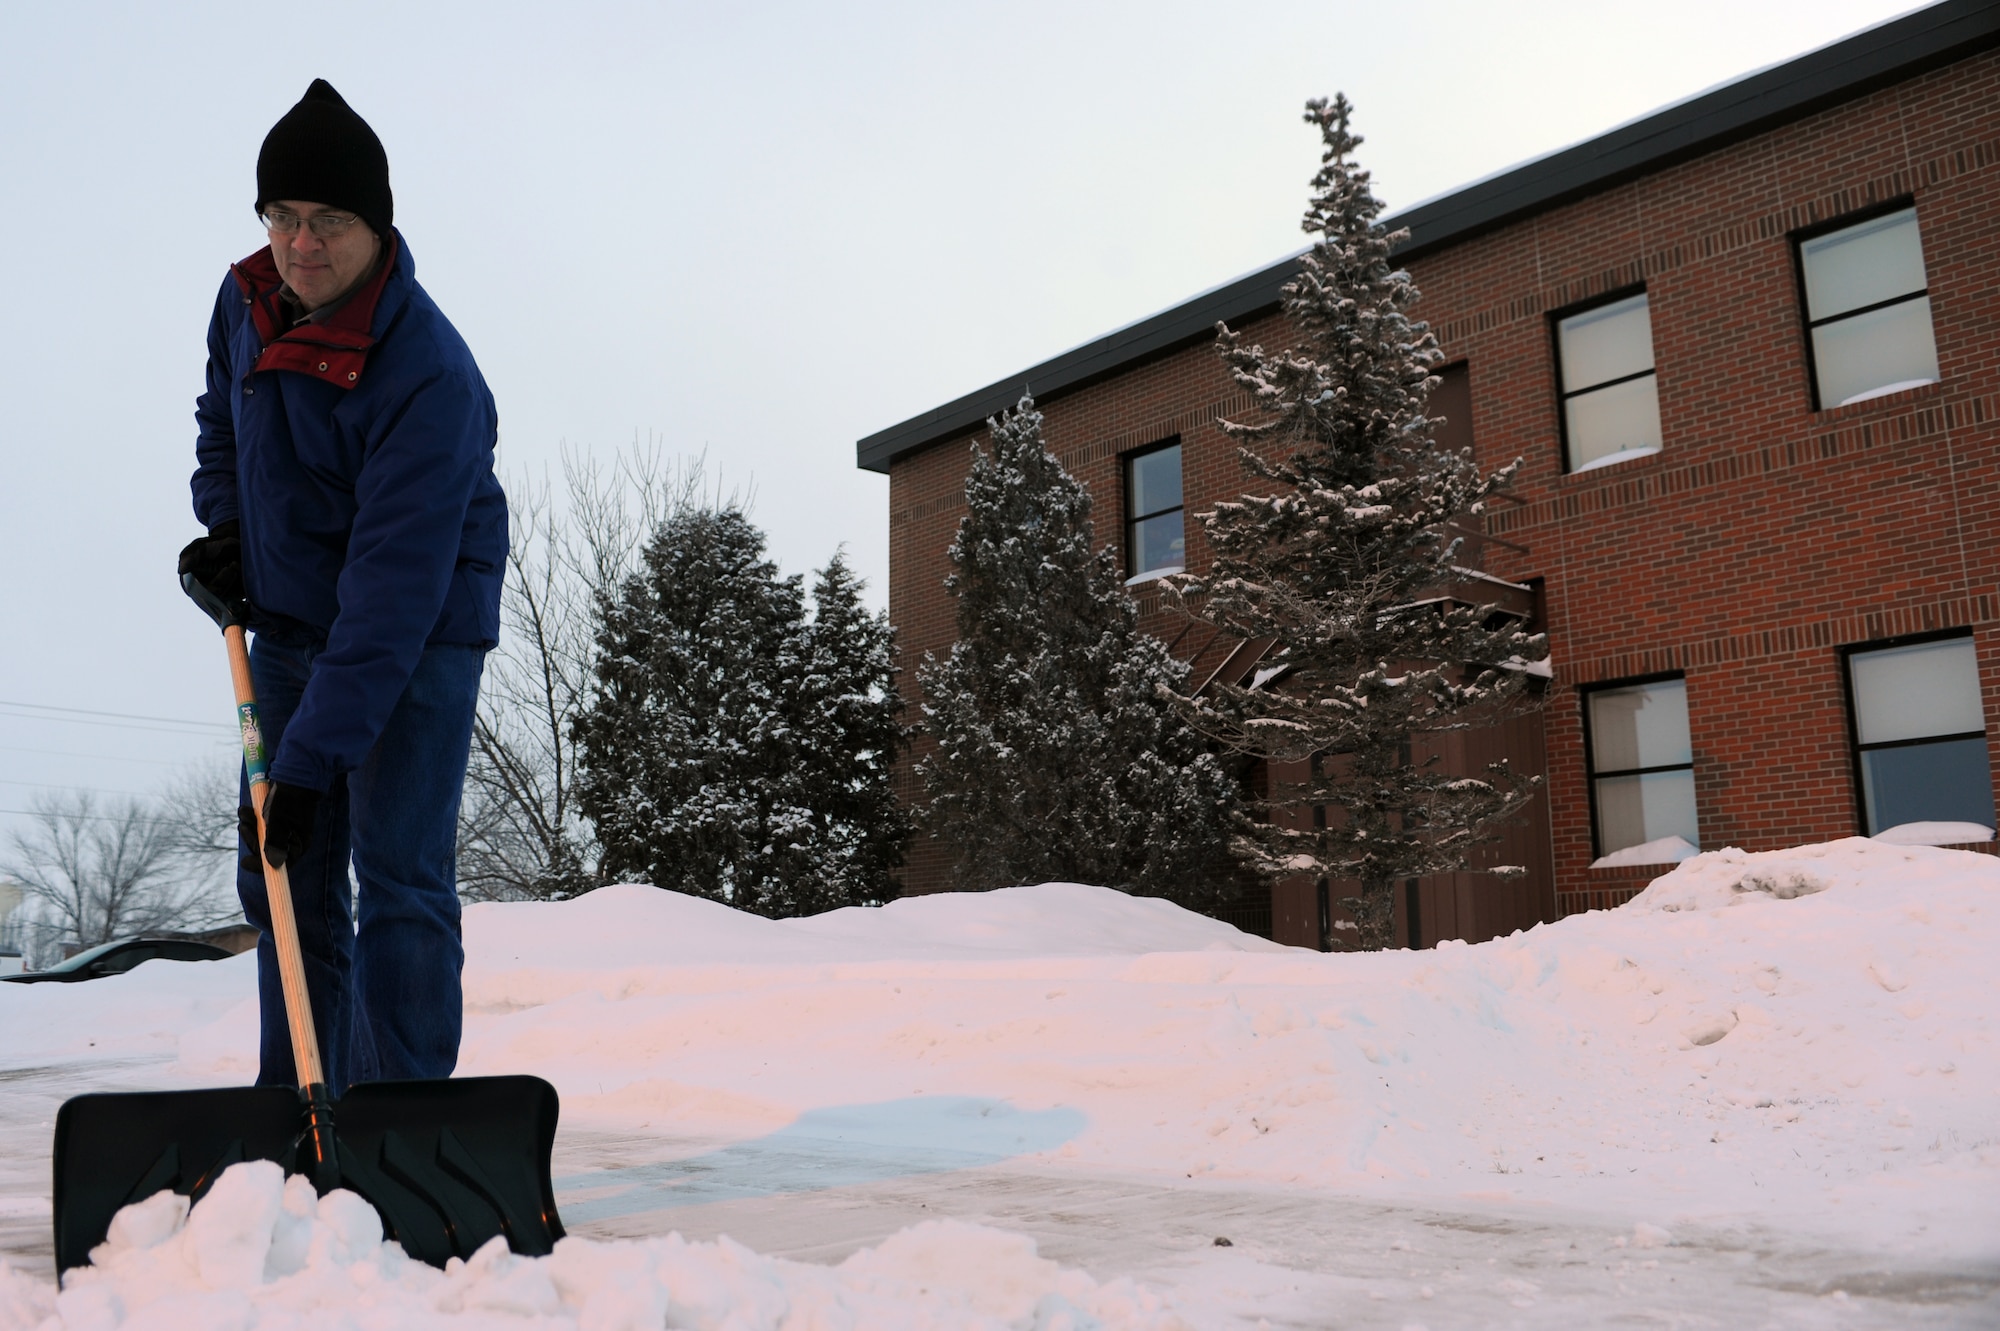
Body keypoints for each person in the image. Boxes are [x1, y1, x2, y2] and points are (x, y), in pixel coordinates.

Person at [176, 79, 506, 1093]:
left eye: (329, 221)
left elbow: (391, 588)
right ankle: (303, 1111)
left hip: (412, 636)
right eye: (282, 216)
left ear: (377, 227)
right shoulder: (244, 301)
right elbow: (222, 422)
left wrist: (315, 762)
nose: (301, 244)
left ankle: (394, 1121)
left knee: (397, 877)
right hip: (284, 624)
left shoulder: (430, 377)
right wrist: (227, 528)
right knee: (280, 874)